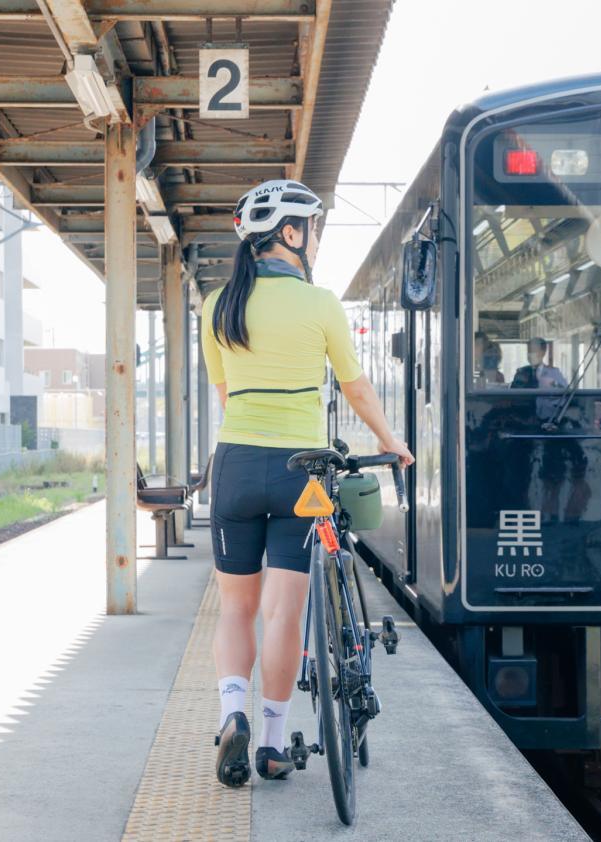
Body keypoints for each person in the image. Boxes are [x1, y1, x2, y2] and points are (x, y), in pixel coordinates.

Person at [200, 178, 413, 788]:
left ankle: (231, 713)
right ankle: (270, 742)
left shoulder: (215, 306)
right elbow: (356, 387)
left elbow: (225, 395)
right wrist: (390, 442)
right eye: (312, 229)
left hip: (236, 466)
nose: (315, 241)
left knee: (235, 608)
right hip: (302, 473)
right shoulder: (320, 305)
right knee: (282, 614)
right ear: (290, 234)